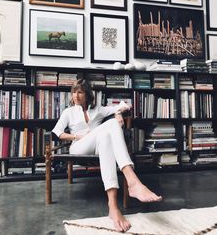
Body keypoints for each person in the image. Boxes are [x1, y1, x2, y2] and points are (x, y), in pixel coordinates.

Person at [52, 79, 162, 232]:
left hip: (97, 148)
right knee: (111, 125)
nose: (75, 95)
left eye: (80, 92)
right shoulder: (68, 112)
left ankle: (113, 206)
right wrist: (76, 137)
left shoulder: (99, 110)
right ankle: (133, 181)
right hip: (79, 147)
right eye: (74, 92)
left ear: (88, 95)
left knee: (105, 139)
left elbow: (124, 105)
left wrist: (117, 113)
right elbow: (57, 132)